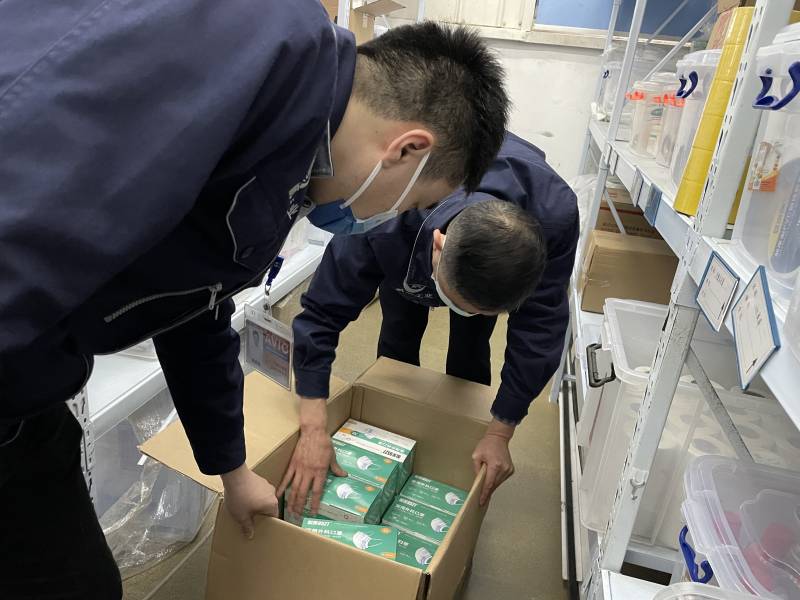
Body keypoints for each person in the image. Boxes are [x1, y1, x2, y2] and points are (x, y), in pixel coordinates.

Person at [0, 2, 509, 597]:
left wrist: (232, 469)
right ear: (406, 149)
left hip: (28, 381)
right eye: (415, 203)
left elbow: (193, 305)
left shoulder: (285, 135)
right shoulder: (232, 54)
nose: (395, 219)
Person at [281, 132, 578, 517]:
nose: (462, 310)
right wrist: (313, 425)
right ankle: (393, 428)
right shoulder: (388, 207)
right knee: (399, 333)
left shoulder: (555, 216)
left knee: (471, 347)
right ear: (438, 245)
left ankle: (463, 437)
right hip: (409, 235)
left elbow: (540, 333)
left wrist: (500, 430)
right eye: (457, 300)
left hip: (491, 242)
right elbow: (322, 313)